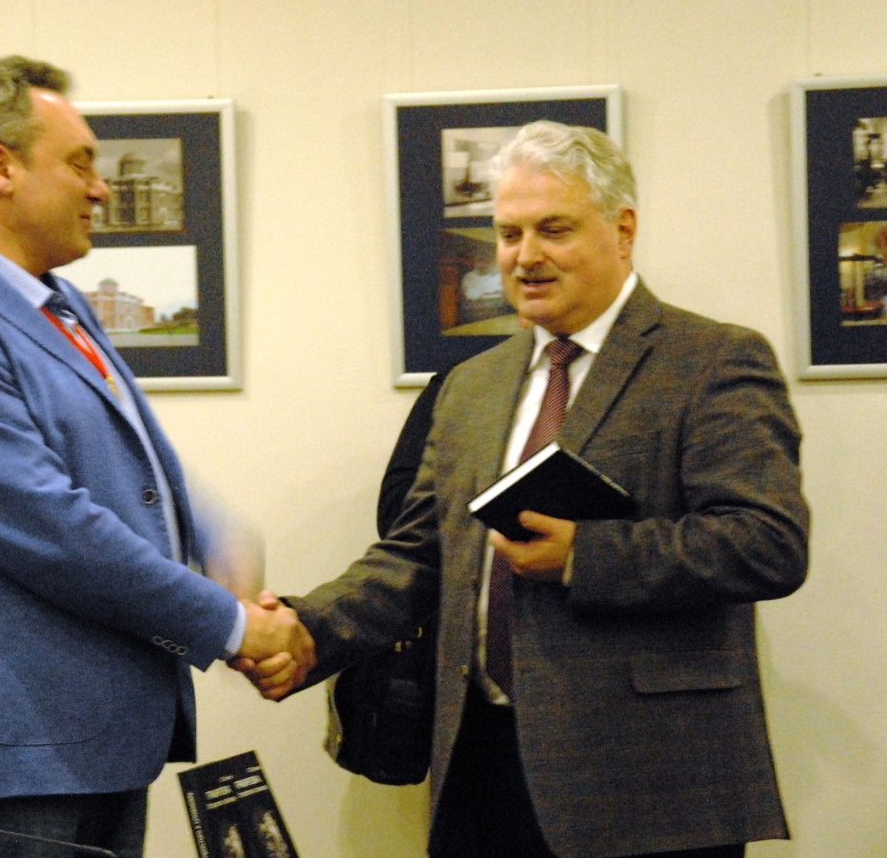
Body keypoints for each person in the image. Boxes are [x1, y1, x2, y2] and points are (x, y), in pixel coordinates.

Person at [242, 120, 809, 858]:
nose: (526, 255)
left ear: (623, 230)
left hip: (652, 781)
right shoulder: (470, 386)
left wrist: (584, 556)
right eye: (509, 234)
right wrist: (308, 628)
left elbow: (767, 544)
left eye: (554, 229)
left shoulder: (713, 360)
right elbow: (419, 554)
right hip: (481, 766)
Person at [0, 56, 312, 858]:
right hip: (15, 766)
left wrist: (220, 548)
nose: (100, 189)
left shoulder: (58, 303)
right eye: (79, 163)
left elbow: (145, 472)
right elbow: (52, 529)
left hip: (91, 748)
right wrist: (233, 627)